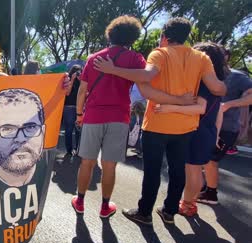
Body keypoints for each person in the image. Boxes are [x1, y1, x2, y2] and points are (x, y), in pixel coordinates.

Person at [94, 17, 226, 225]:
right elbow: (218, 88)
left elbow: (146, 76)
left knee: (153, 171)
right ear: (186, 36)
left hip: (157, 123)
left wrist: (113, 70)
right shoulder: (201, 58)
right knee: (177, 170)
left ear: (164, 36)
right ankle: (169, 211)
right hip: (185, 126)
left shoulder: (159, 54)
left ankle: (144, 212)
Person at [71, 15, 196, 219]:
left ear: (110, 33)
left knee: (87, 162)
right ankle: (104, 207)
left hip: (93, 115)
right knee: (110, 165)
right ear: (133, 36)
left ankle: (80, 201)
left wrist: (79, 114)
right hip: (119, 117)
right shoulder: (136, 59)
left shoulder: (94, 58)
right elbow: (145, 83)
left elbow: (82, 90)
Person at [153, 42, 228, 216]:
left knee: (192, 170)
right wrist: (215, 135)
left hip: (197, 129)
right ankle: (190, 203)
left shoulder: (204, 81)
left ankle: (186, 205)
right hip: (208, 131)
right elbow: (219, 112)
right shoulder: (217, 82)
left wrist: (171, 108)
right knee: (196, 169)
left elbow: (200, 109)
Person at [197, 57, 252, 205]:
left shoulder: (238, 76)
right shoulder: (203, 73)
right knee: (199, 160)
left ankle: (210, 193)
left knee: (210, 161)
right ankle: (201, 188)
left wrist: (228, 105)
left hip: (226, 128)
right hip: (203, 123)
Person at [63, 65, 81, 155]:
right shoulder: (68, 80)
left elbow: (85, 93)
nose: (78, 73)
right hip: (69, 108)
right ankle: (69, 150)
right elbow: (67, 93)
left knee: (78, 129)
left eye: (80, 71)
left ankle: (78, 149)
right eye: (76, 71)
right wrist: (72, 79)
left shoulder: (82, 81)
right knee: (69, 130)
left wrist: (81, 80)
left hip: (79, 107)